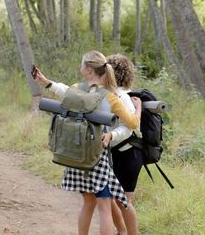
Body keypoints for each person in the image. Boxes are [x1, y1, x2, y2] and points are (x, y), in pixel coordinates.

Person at [33, 50, 142, 235]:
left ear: (89, 70)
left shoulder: (77, 89)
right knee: (105, 208)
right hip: (97, 157)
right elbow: (133, 124)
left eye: (82, 64)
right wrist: (116, 131)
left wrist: (46, 83)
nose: (80, 67)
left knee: (87, 203)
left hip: (76, 154)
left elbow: (63, 90)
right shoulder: (110, 96)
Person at [107, 54, 142, 235]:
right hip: (118, 154)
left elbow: (132, 127)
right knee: (112, 198)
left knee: (123, 200)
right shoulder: (110, 93)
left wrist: (138, 110)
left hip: (129, 153)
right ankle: (121, 232)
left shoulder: (124, 97)